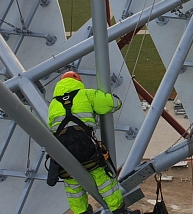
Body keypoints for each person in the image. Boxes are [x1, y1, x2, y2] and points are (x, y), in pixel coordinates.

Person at [47, 71, 140, 214]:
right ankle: (118, 210)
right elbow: (111, 104)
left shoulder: (53, 104)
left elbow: (51, 127)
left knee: (72, 181)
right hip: (84, 144)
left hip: (62, 149)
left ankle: (82, 211)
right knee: (102, 176)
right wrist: (116, 100)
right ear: (78, 81)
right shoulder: (86, 94)